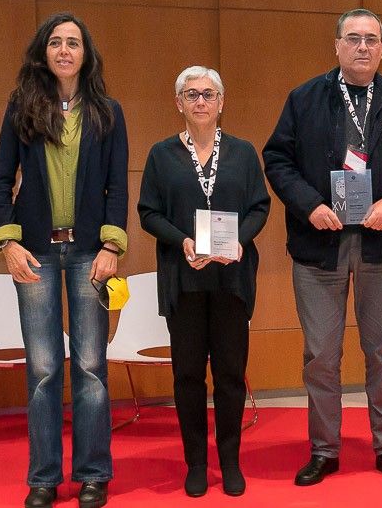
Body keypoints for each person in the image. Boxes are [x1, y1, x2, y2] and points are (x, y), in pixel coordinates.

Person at [263, 8, 382, 486]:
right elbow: (277, 158)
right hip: (320, 243)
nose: (363, 47)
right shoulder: (305, 98)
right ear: (336, 45)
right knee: (321, 353)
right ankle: (324, 448)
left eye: (372, 39)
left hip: (381, 241)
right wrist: (310, 205)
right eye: (353, 38)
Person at [0, 13, 128, 508]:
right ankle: (43, 478)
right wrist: (7, 243)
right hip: (36, 254)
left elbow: (117, 188)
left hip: (90, 252)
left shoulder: (108, 112)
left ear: (85, 54)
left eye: (74, 43)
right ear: (43, 52)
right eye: (56, 42)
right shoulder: (22, 107)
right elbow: (1, 180)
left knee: (90, 367)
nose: (65, 50)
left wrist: (112, 246)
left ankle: (93, 474)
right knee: (43, 369)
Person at [138, 67, 271, 498]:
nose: (200, 101)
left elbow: (259, 207)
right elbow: (148, 212)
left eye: (208, 94)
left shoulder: (244, 152)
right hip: (185, 279)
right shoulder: (161, 155)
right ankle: (196, 462)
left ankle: (230, 461)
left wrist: (240, 242)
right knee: (189, 376)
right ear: (178, 103)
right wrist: (183, 242)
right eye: (191, 94)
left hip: (231, 279)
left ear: (221, 101)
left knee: (231, 374)